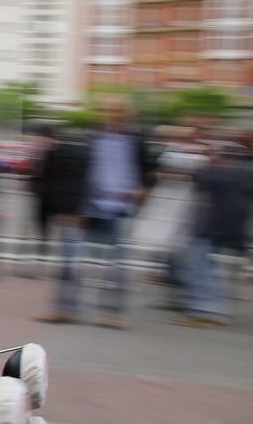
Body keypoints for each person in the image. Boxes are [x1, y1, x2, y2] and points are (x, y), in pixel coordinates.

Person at [40, 96, 154, 328]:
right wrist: (70, 205)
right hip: (86, 206)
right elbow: (78, 173)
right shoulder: (92, 138)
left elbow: (148, 169)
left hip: (121, 207)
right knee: (70, 261)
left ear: (129, 115)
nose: (115, 115)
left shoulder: (137, 140)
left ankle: (111, 313)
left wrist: (142, 189)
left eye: (120, 111)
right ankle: (64, 309)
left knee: (117, 266)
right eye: (110, 110)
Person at [175, 142, 253, 327]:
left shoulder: (220, 171)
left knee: (198, 265)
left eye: (214, 153)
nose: (211, 156)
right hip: (228, 226)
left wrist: (207, 164)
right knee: (204, 266)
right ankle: (212, 307)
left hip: (209, 225)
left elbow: (198, 176)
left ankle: (207, 310)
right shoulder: (246, 170)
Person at [25, 123, 89, 278]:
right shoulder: (42, 155)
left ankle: (69, 268)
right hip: (44, 201)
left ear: (52, 138)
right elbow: (37, 177)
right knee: (44, 234)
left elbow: (69, 178)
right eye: (37, 140)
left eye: (42, 140)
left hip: (61, 202)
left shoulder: (64, 153)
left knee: (67, 235)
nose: (39, 143)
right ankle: (42, 267)